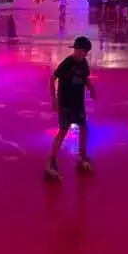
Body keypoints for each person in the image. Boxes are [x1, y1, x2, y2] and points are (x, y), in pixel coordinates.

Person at [47, 36, 96, 179]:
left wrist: (91, 88)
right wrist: (54, 99)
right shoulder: (67, 63)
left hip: (78, 103)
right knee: (63, 131)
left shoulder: (84, 63)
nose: (84, 55)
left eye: (86, 52)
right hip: (66, 103)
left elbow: (85, 77)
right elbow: (52, 78)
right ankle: (52, 159)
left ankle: (82, 155)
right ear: (77, 50)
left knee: (84, 128)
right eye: (83, 52)